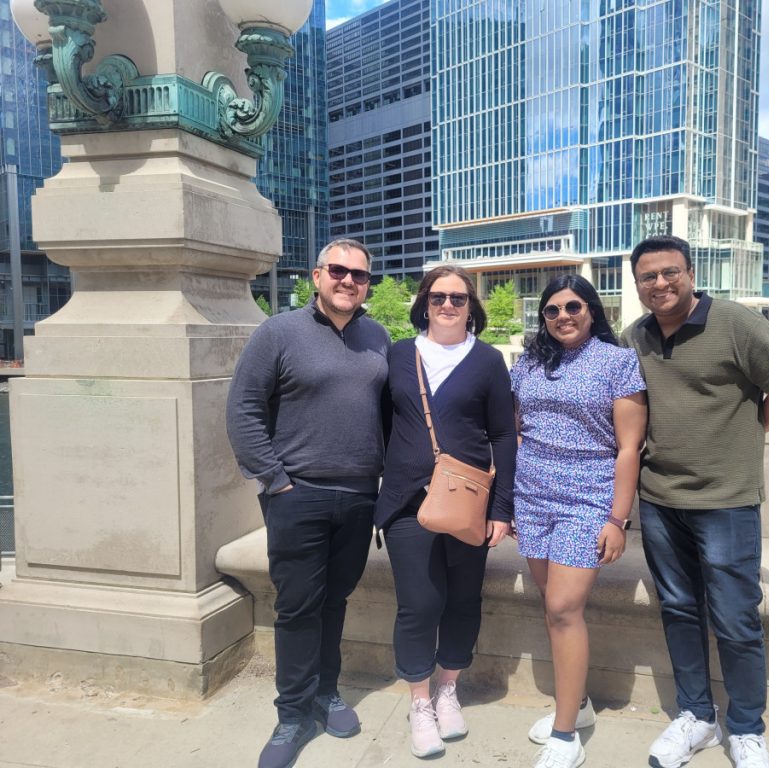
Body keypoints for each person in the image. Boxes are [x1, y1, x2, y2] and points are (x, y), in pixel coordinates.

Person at [621, 235, 769, 768]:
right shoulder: (637, 337)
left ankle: (746, 728)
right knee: (679, 610)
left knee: (735, 618)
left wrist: (742, 439)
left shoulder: (736, 323)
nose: (660, 283)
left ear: (691, 272)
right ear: (638, 285)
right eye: (649, 277)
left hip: (727, 500)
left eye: (670, 272)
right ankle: (697, 716)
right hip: (659, 498)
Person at [226, 239, 391, 768]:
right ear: (317, 276)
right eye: (339, 271)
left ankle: (326, 692)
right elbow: (244, 411)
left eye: (360, 275)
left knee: (335, 600)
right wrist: (275, 481)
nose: (349, 281)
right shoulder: (278, 332)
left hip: (360, 495)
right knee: (297, 608)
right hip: (297, 494)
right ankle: (292, 715)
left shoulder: (379, 337)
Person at [374, 265, 517, 759]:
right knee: (419, 605)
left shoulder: (488, 362)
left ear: (471, 306)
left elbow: (503, 435)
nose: (449, 306)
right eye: (439, 297)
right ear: (424, 302)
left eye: (458, 298)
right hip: (407, 505)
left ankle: (449, 689)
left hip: (467, 503)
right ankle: (419, 701)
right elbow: (384, 426)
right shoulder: (397, 355)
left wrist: (502, 507)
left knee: (462, 601)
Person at [511, 275, 647, 768]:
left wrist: (617, 517)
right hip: (531, 497)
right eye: (552, 310)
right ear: (542, 317)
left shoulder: (618, 362)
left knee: (565, 609)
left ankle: (566, 735)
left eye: (573, 306)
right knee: (552, 609)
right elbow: (514, 429)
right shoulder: (528, 362)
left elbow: (629, 447)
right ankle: (580, 706)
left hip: (586, 501)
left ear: (592, 310)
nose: (563, 316)